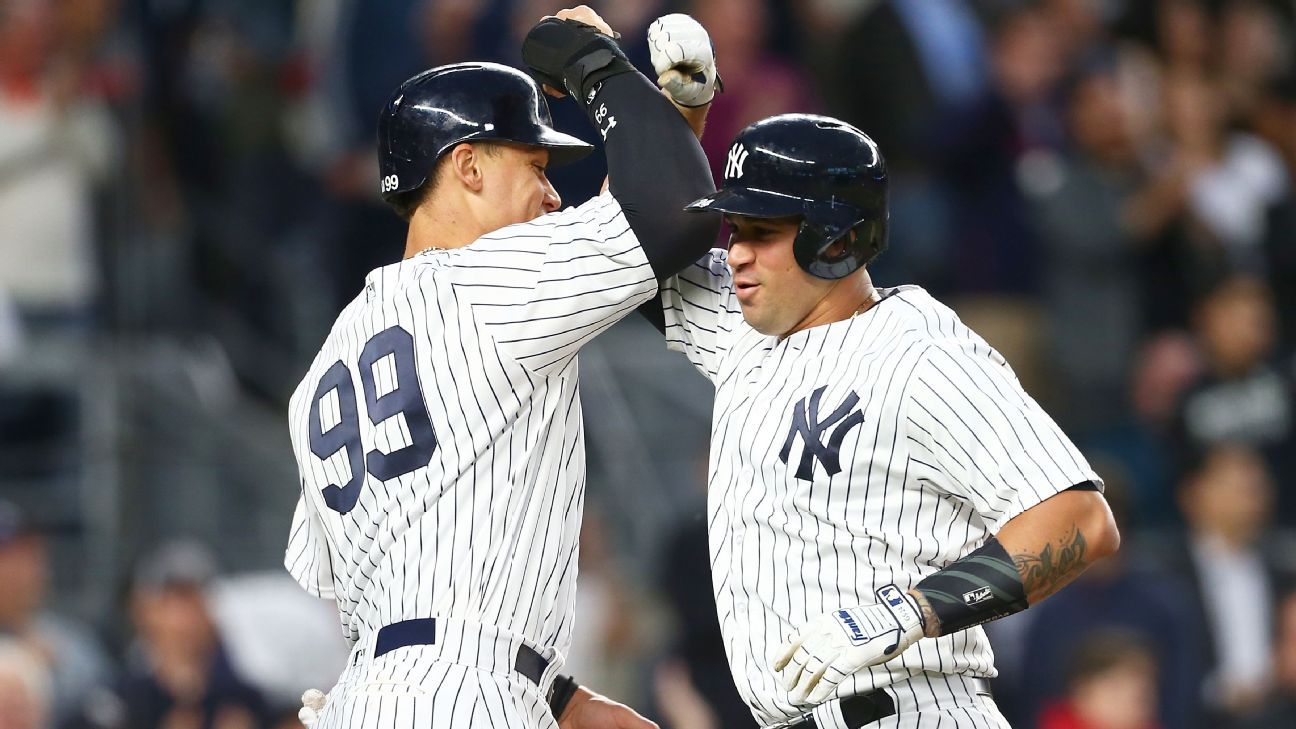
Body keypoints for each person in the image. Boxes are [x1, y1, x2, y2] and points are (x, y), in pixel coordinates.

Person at [283, 6, 718, 729]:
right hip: (464, 695)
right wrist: (593, 61)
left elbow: (393, 594)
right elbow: (673, 212)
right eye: (536, 168)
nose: (553, 194)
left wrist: (558, 696)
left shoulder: (327, 366)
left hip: (369, 696)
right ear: (468, 165)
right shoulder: (487, 283)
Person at [650, 110, 1120, 725]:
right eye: (733, 230)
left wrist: (910, 611)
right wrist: (679, 113)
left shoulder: (919, 356)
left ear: (836, 239)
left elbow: (1080, 520)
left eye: (762, 231)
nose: (736, 253)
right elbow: (628, 235)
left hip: (911, 709)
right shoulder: (742, 325)